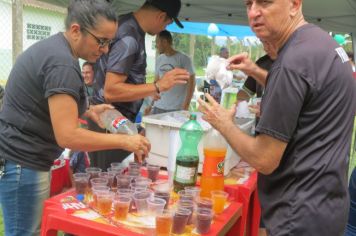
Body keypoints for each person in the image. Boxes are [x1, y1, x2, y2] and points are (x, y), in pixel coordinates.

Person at [198, 0, 356, 235]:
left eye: (265, 2)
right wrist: (254, 70)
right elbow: (303, 93)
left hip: (298, 214)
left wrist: (223, 123)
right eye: (248, 3)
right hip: (327, 205)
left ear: (294, 4)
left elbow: (264, 159)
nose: (253, 12)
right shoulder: (321, 44)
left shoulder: (292, 61)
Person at [0, 1, 150, 235]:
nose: (106, 50)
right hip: (23, 161)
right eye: (102, 41)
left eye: (109, 42)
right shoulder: (62, 63)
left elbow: (47, 100)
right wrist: (124, 141)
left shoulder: (57, 51)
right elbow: (68, 135)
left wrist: (88, 109)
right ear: (76, 30)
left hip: (23, 159)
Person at [90, 0, 189, 170]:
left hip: (116, 123)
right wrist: (157, 86)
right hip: (109, 123)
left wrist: (145, 91)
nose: (164, 29)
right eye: (168, 22)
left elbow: (122, 80)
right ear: (161, 16)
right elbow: (111, 91)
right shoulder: (129, 36)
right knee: (108, 183)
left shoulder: (130, 26)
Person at [151, 30, 195, 114]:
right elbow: (156, 82)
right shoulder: (159, 59)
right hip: (158, 106)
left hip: (176, 108)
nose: (156, 45)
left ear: (164, 42)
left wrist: (186, 105)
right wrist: (151, 104)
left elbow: (192, 83)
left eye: (157, 42)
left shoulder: (184, 59)